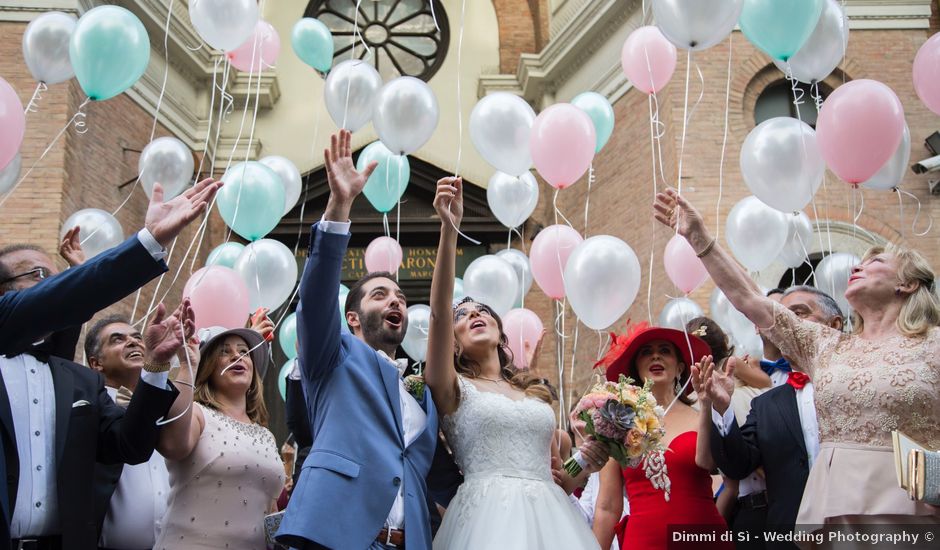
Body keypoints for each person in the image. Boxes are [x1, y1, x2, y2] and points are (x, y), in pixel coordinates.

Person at [653, 187, 940, 538]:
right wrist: (700, 239)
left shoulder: (933, 344)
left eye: (875, 262)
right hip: (836, 508)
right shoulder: (826, 346)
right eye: (858, 262)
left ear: (908, 284)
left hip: (912, 510)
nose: (858, 267)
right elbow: (748, 298)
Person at [0, 178, 221, 550]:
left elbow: (130, 446)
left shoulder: (79, 382)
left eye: (56, 278)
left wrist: (154, 368)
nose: (53, 285)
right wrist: (148, 241)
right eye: (38, 277)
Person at [276, 130, 440, 550]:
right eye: (381, 294)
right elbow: (313, 304)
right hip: (334, 534)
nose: (396, 302)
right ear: (352, 317)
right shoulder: (332, 357)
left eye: (402, 297)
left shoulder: (420, 390)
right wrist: (339, 208)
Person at [424, 176, 606, 549]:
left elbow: (562, 478)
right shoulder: (452, 388)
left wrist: (588, 459)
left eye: (482, 311)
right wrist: (449, 228)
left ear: (498, 328)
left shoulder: (533, 393)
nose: (473, 314)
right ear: (453, 343)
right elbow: (439, 313)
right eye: (463, 315)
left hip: (552, 521)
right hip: (485, 522)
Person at [704, 286, 840, 550]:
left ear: (834, 324)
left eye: (798, 313)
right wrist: (722, 408)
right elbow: (736, 465)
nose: (785, 324)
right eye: (779, 317)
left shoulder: (868, 386)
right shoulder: (766, 404)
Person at [592, 322, 733, 550]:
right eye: (646, 352)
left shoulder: (701, 416)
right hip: (644, 541)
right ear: (635, 368)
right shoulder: (616, 426)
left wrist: (707, 405)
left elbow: (707, 462)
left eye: (664, 350)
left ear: (679, 368)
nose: (655, 356)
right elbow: (607, 507)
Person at [154, 323, 282, 550]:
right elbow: (172, 445)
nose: (237, 356)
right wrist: (187, 366)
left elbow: (268, 508)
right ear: (208, 366)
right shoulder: (196, 413)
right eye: (225, 351)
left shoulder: (267, 436)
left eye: (244, 352)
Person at [86, 315, 172, 550]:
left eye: (137, 337)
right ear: (96, 363)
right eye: (117, 340)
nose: (134, 342)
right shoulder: (87, 413)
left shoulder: (169, 407)